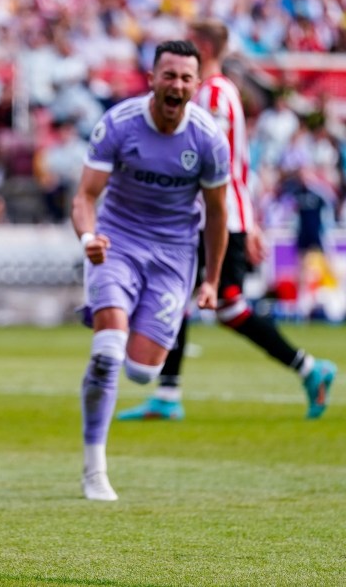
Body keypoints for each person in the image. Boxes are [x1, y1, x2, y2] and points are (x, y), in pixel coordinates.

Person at [118, 20, 337, 423]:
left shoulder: (215, 94)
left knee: (227, 305)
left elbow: (208, 159)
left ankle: (309, 368)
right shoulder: (212, 92)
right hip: (209, 214)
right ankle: (168, 394)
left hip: (215, 217)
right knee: (177, 297)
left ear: (202, 47)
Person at [71, 39, 230, 501]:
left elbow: (217, 214)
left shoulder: (207, 139)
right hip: (116, 244)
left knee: (141, 372)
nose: (176, 84)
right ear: (152, 79)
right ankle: (94, 469)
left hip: (173, 255)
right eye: (169, 75)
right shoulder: (119, 124)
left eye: (185, 77)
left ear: (196, 85)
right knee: (107, 352)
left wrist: (212, 280)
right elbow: (85, 195)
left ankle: (114, 310)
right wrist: (88, 238)